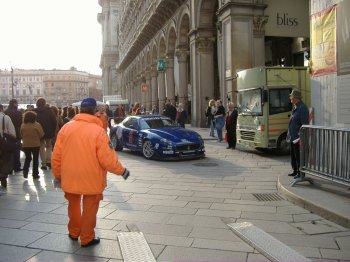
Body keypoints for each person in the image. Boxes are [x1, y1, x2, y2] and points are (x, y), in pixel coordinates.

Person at [51, 98, 130, 248]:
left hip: (70, 175)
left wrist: (58, 175)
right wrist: (122, 171)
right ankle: (86, 238)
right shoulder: (98, 131)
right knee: (90, 208)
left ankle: (74, 232)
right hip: (91, 177)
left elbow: (56, 155)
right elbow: (107, 159)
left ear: (80, 110)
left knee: (73, 205)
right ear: (94, 111)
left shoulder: (66, 128)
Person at [286, 90, 309, 178]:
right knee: (293, 155)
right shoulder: (295, 107)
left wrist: (301, 137)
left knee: (299, 156)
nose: (290, 98)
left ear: (296, 98)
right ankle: (295, 171)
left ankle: (300, 173)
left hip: (298, 138)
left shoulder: (302, 108)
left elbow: (304, 124)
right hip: (293, 137)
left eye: (291, 96)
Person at [33, 97, 57, 170]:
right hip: (49, 131)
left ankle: (43, 163)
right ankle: (48, 161)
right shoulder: (49, 111)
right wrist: (53, 130)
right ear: (44, 103)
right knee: (49, 146)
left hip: (38, 131)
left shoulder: (34, 111)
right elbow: (54, 121)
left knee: (41, 147)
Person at [20, 111, 44, 179]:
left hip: (26, 144)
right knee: (35, 159)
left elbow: (21, 134)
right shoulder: (37, 125)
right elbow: (41, 134)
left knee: (28, 158)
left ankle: (25, 170)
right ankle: (35, 174)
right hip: (35, 144)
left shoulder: (23, 125)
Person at [5, 99, 23, 172]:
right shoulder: (18, 112)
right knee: (17, 150)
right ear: (14, 104)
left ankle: (10, 168)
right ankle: (17, 166)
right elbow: (20, 123)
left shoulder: (6, 112)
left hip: (8, 134)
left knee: (9, 151)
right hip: (16, 133)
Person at [0, 104, 16, 188]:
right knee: (6, 160)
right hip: (4, 144)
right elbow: (12, 133)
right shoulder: (6, 118)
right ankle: (3, 175)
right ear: (2, 109)